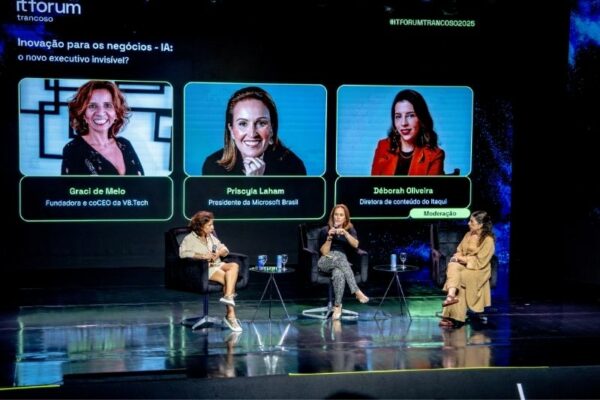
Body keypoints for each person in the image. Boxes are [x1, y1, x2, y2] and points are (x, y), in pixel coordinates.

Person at [202, 86, 306, 176]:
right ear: (231, 130)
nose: (252, 134)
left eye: (261, 123)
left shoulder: (293, 167)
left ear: (272, 129)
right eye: (243, 124)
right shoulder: (213, 166)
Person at [61, 80, 144, 175]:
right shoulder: (73, 150)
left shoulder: (125, 144)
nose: (100, 113)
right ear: (83, 113)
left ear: (116, 113)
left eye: (107, 105)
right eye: (92, 106)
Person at [179, 211, 242, 332]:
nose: (212, 228)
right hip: (205, 268)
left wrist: (218, 253)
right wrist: (201, 256)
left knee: (234, 265)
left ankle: (228, 296)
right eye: (209, 225)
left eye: (212, 225)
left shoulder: (211, 237)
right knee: (227, 279)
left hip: (217, 263)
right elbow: (183, 253)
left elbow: (225, 249)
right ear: (200, 226)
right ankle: (230, 316)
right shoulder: (189, 238)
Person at [439, 210, 496, 328]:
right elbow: (459, 251)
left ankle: (452, 317)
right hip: (466, 264)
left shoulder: (488, 240)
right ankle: (450, 296)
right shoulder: (468, 234)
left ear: (480, 225)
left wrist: (462, 259)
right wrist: (458, 258)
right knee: (452, 265)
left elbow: (480, 261)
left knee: (461, 278)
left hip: (480, 269)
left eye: (471, 222)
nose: (468, 223)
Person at [371, 89, 445, 175]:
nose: (403, 123)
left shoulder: (434, 155)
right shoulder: (383, 146)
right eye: (398, 116)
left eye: (410, 115)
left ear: (421, 118)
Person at [317, 204, 369, 320]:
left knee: (338, 274)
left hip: (341, 263)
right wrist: (329, 237)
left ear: (345, 218)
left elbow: (356, 245)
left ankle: (337, 306)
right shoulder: (325, 230)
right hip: (326, 261)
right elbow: (324, 252)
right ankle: (356, 291)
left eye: (341, 215)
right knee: (339, 257)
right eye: (336, 214)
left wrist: (345, 233)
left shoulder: (350, 230)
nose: (338, 217)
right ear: (332, 216)